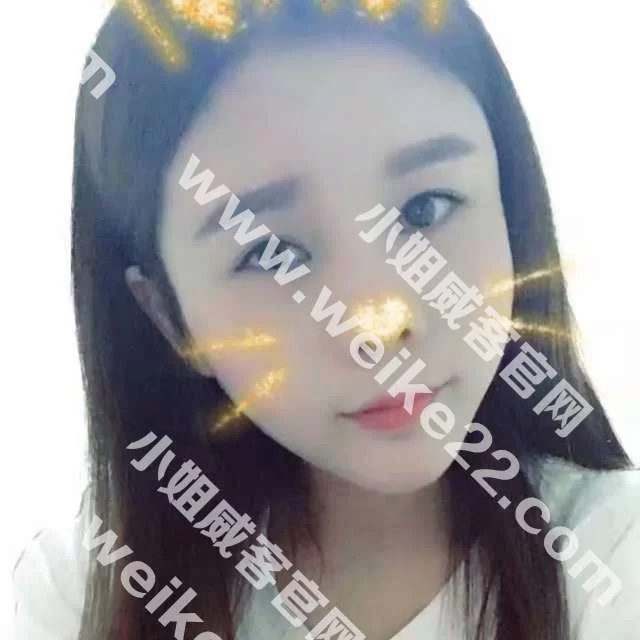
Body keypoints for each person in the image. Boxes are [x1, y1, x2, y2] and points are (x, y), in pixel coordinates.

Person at [13, 1, 640, 639]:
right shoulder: (85, 592)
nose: (378, 324)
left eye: (425, 209)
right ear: (169, 319)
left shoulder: (613, 556)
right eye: (272, 253)